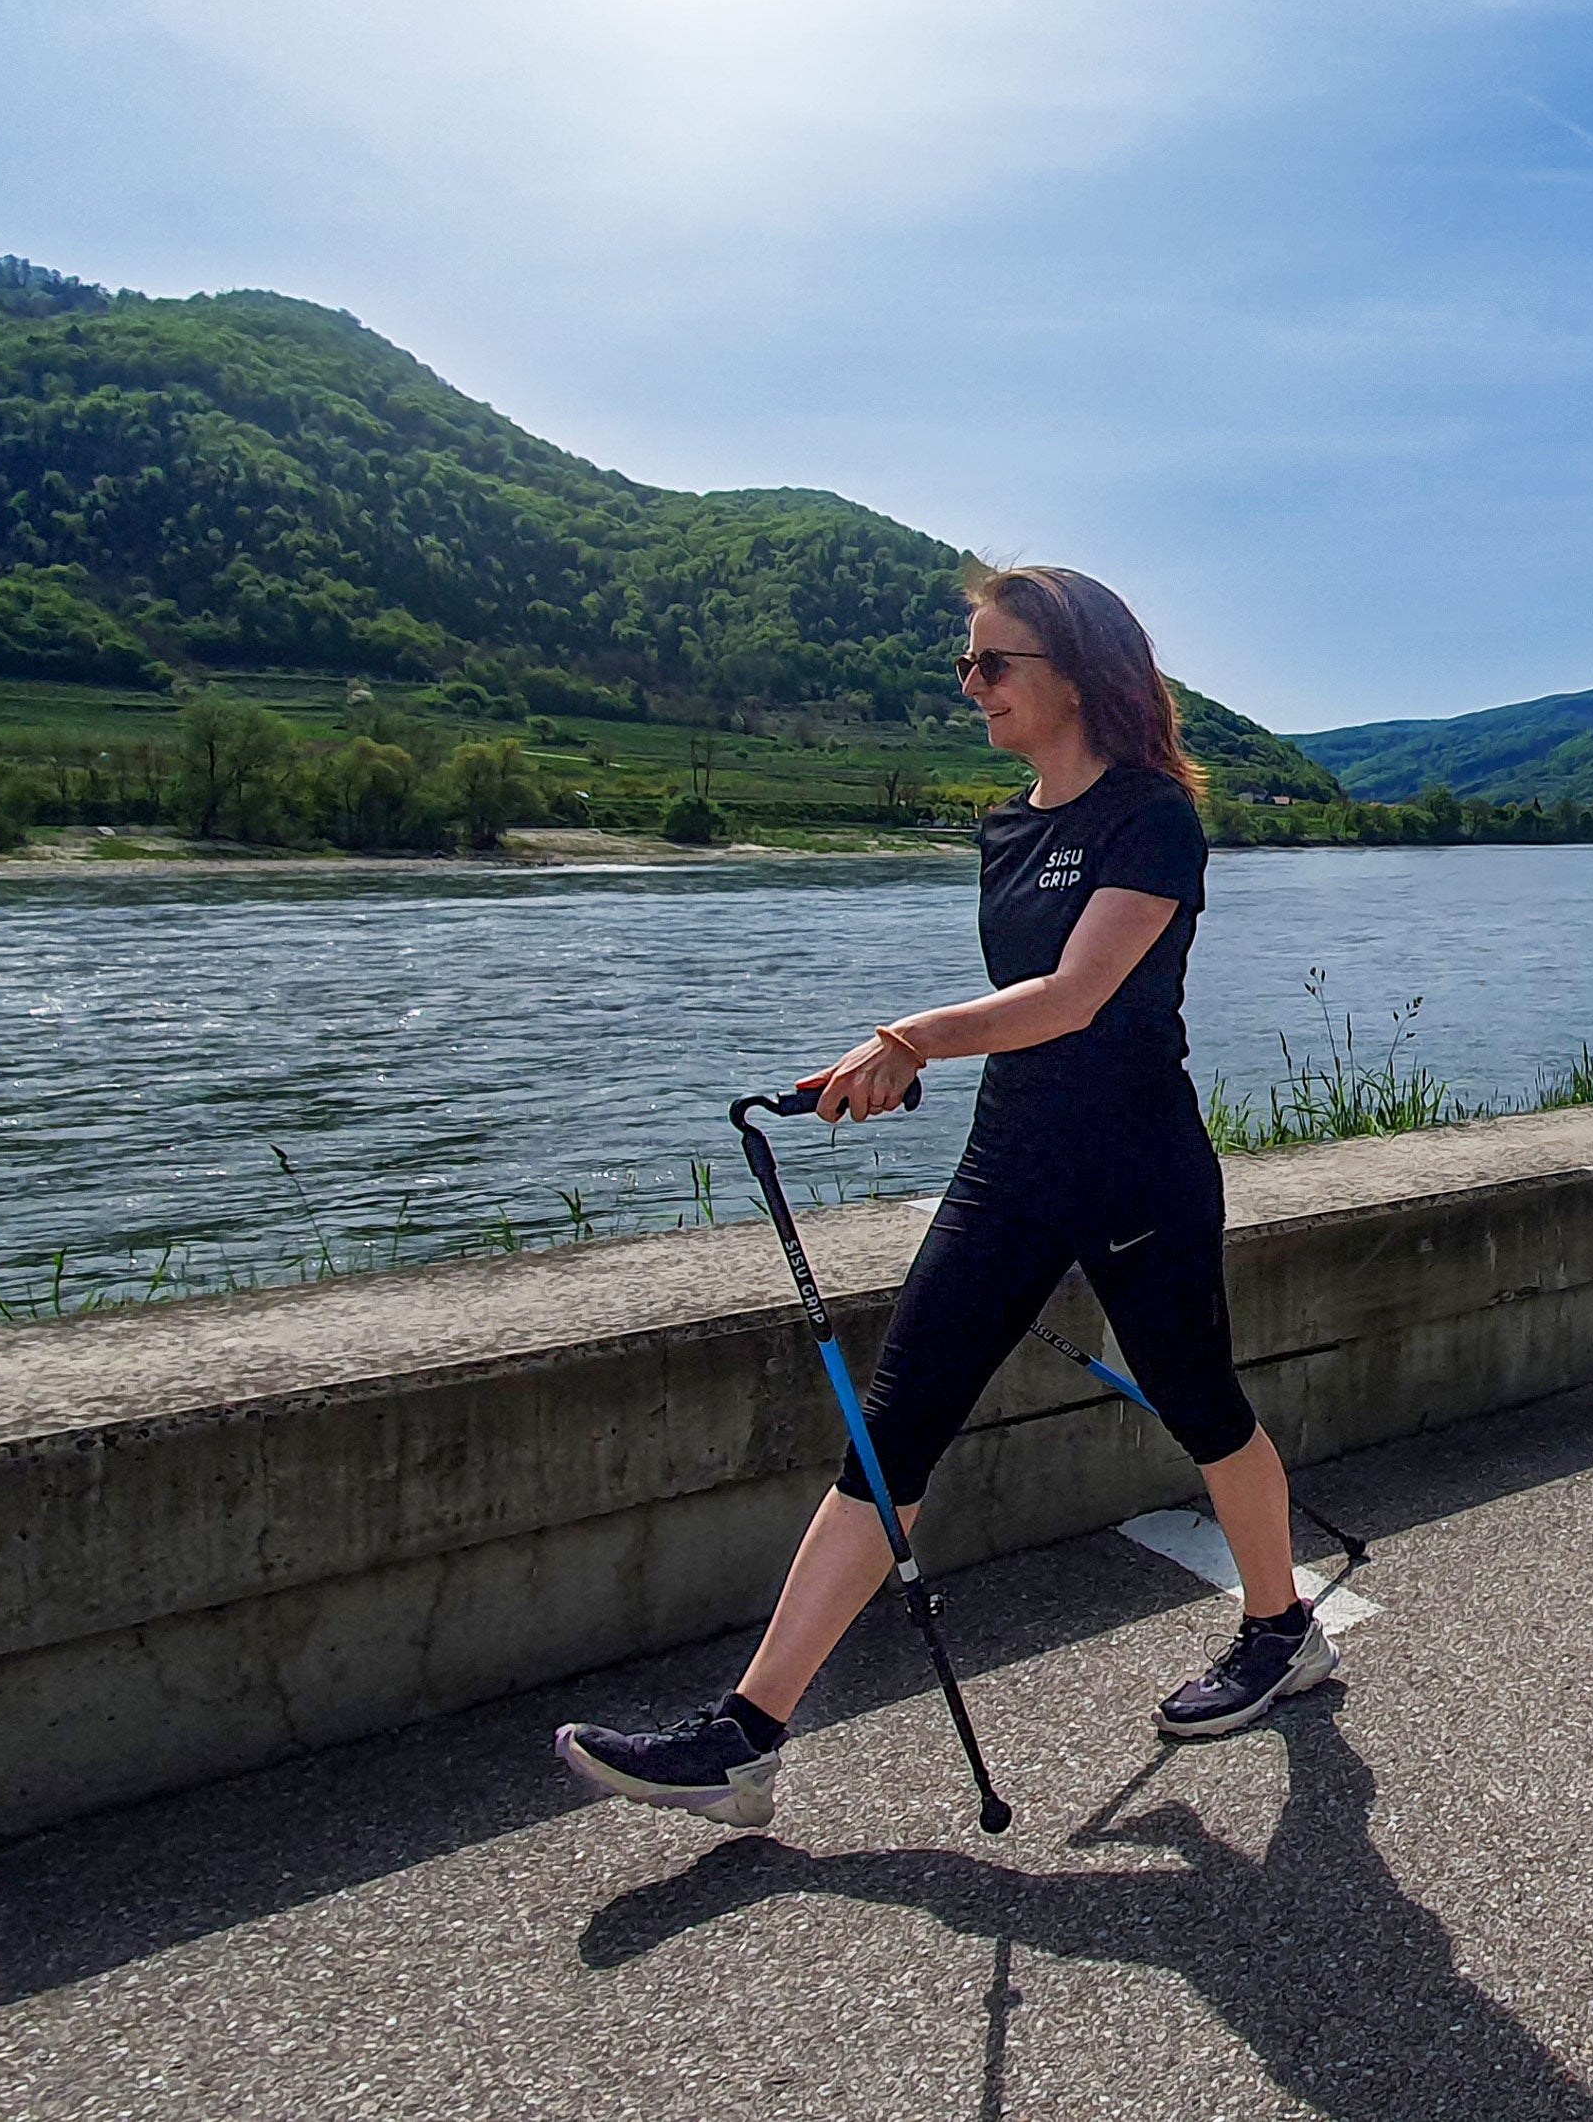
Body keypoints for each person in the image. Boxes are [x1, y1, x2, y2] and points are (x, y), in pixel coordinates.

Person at [556, 566, 1335, 1828]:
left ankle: (1281, 1627)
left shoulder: (1153, 817)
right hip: (1008, 1163)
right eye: (966, 664)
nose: (970, 686)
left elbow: (1078, 995)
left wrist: (913, 1036)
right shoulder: (1005, 827)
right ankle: (744, 1741)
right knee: (892, 1430)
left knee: (1200, 1403)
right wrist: (907, 1067)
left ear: (1074, 674)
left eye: (993, 663)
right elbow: (1028, 1012)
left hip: (1135, 1162)